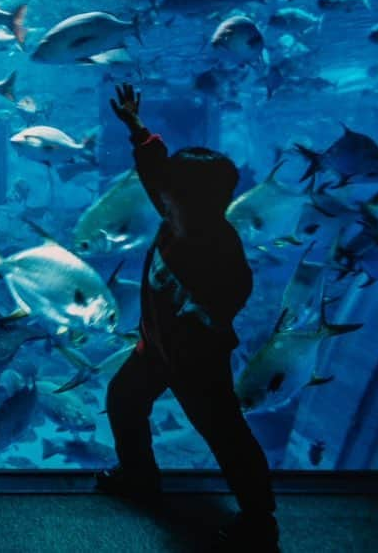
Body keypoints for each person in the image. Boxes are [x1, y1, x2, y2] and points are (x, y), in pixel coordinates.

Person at [96, 83, 279, 551]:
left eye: (171, 190)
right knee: (124, 400)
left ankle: (260, 520)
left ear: (188, 198)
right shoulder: (175, 212)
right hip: (157, 349)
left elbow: (239, 288)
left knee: (225, 435)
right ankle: (140, 479)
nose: (162, 193)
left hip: (197, 360)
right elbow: (155, 168)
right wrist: (136, 126)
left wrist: (207, 316)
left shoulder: (216, 244)